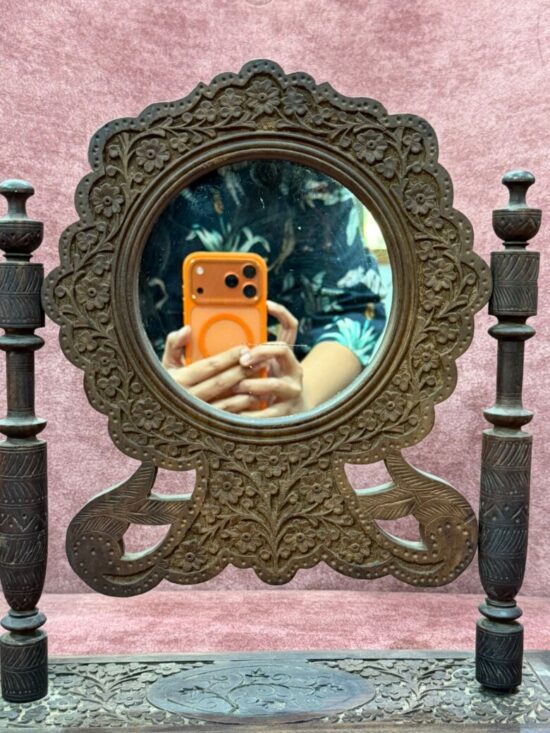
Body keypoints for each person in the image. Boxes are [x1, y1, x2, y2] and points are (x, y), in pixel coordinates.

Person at [139, 160, 387, 416]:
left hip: (286, 414)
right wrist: (151, 397)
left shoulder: (309, 166)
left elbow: (355, 308)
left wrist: (304, 397)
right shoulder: (128, 177)